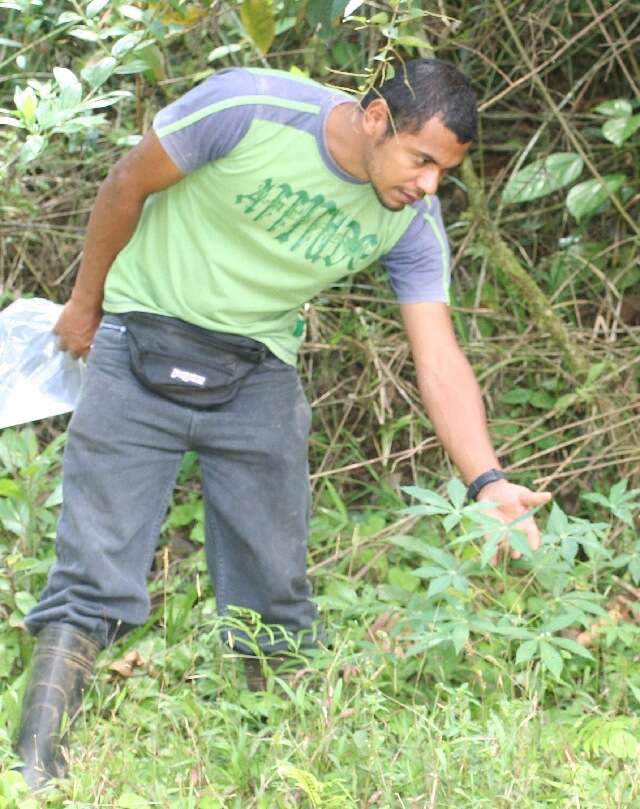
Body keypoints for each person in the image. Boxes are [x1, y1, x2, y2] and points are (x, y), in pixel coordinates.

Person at [14, 58, 551, 790]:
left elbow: (440, 357)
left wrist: (486, 480)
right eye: (421, 159)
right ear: (374, 118)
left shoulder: (412, 222)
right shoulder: (246, 108)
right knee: (93, 570)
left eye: (443, 173)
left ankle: (281, 763)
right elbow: (127, 183)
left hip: (257, 372)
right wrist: (85, 304)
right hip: (140, 335)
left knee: (275, 588)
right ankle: (35, 770)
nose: (428, 185)